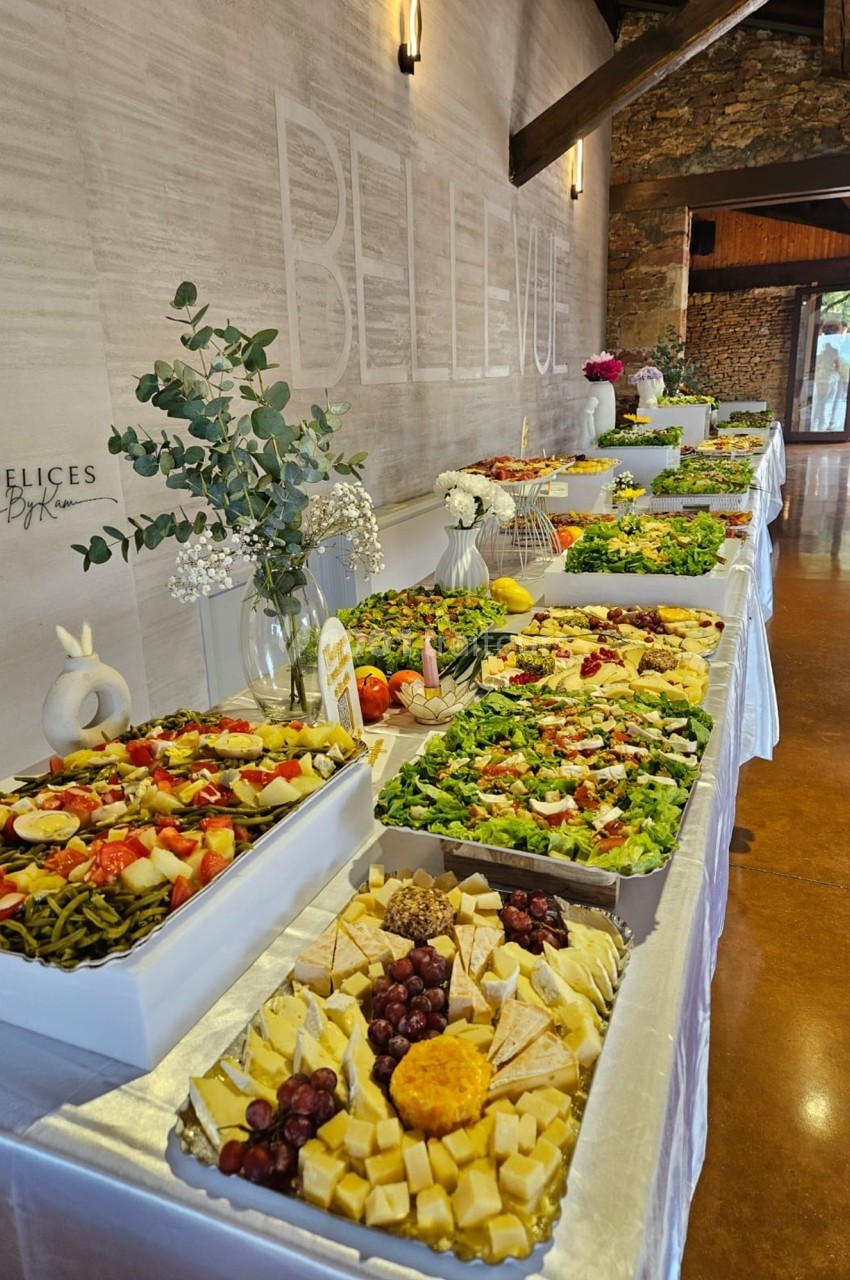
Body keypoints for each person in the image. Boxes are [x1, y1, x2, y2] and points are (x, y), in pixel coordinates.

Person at [811, 322, 841, 432]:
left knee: (819, 401)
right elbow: (838, 366)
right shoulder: (835, 347)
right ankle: (822, 425)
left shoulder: (819, 343)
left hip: (820, 375)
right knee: (827, 401)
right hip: (830, 376)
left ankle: (816, 424)